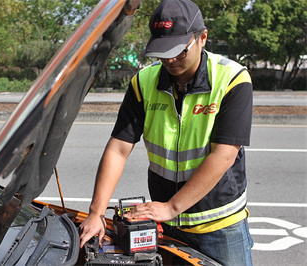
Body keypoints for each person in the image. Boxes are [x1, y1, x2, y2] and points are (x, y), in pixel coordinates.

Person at [79, 0, 254, 265]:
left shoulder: (232, 80)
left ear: (202, 38)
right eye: (163, 51)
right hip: (166, 225)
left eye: (179, 51)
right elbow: (119, 147)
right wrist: (96, 212)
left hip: (219, 227)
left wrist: (170, 207)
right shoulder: (144, 82)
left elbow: (224, 156)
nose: (170, 59)